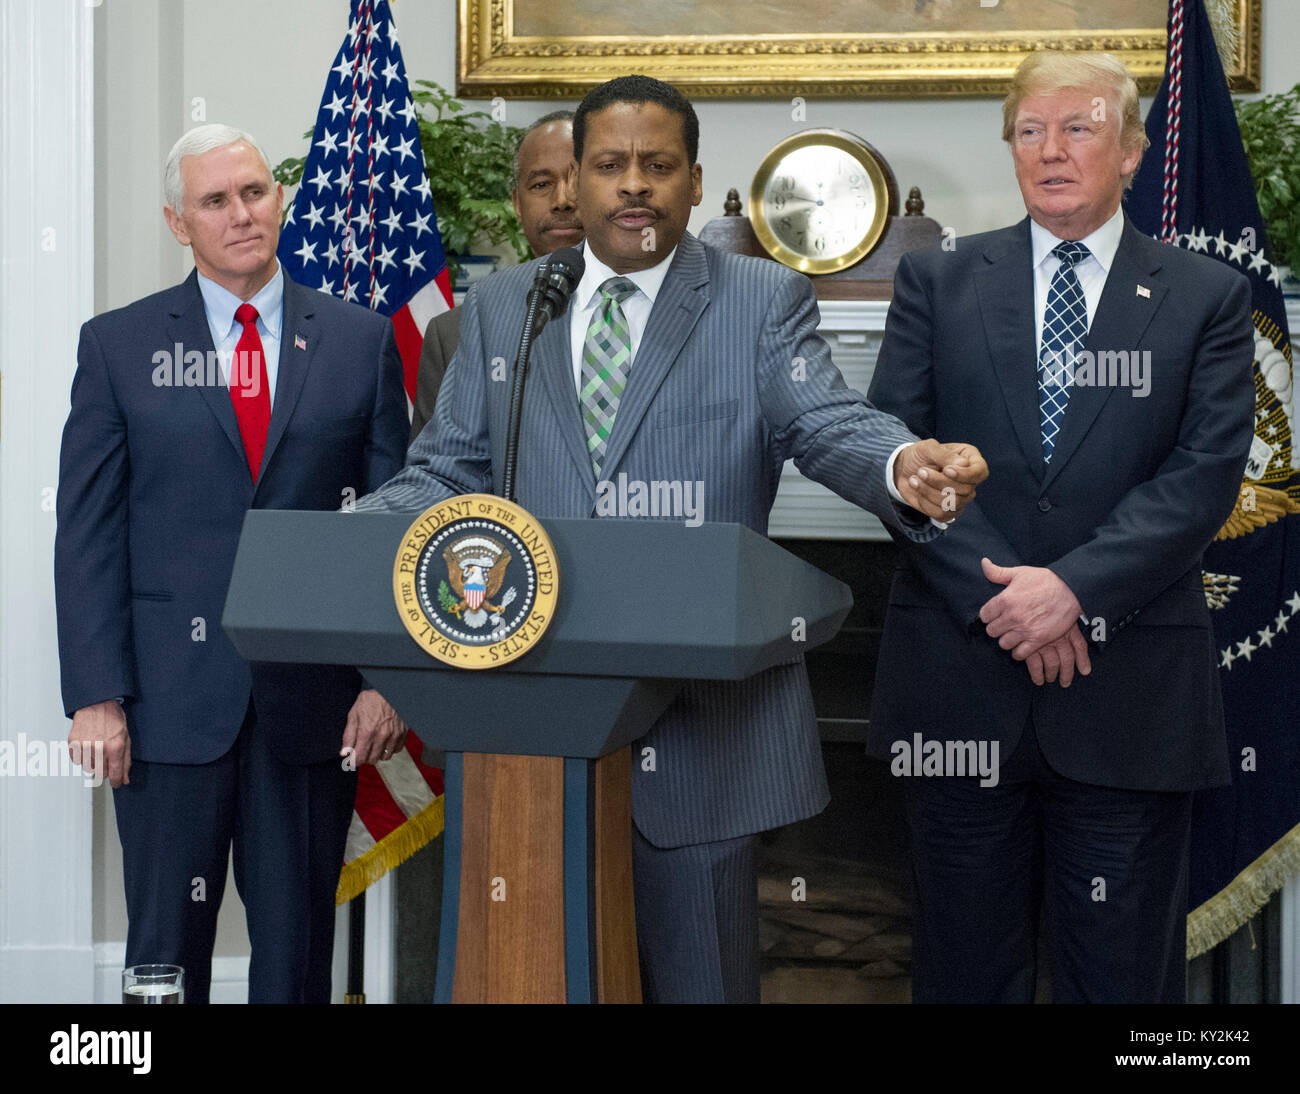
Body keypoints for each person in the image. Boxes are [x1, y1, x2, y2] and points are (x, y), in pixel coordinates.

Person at [355, 74, 989, 1003]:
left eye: (658, 165)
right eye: (610, 165)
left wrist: (903, 467)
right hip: (532, 730)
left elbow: (826, 422)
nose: (634, 185)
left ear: (695, 182)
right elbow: (447, 471)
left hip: (701, 735)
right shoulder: (504, 310)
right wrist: (353, 532)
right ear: (574, 179)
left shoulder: (759, 301)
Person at [866, 51, 1255, 1003]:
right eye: (1029, 131)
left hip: (1128, 698)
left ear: (1130, 151)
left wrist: (1071, 591)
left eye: (1078, 128)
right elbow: (895, 461)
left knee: (1121, 981)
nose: (1051, 150)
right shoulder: (937, 281)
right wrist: (1009, 600)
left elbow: (1200, 480)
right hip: (960, 690)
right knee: (963, 973)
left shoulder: (1207, 295)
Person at [55, 124, 410, 1003]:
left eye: (254, 191)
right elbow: (88, 532)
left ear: (278, 197)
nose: (242, 214)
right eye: (216, 201)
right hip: (166, 706)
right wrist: (97, 694)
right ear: (180, 223)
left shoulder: (362, 342)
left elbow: (396, 527)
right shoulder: (118, 346)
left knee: (294, 955)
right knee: (163, 953)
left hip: (314, 705)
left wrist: (386, 679)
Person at [409, 111, 582, 441]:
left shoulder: (644, 310)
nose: (563, 200)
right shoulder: (452, 335)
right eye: (542, 184)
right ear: (517, 204)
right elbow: (438, 478)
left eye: (579, 181)